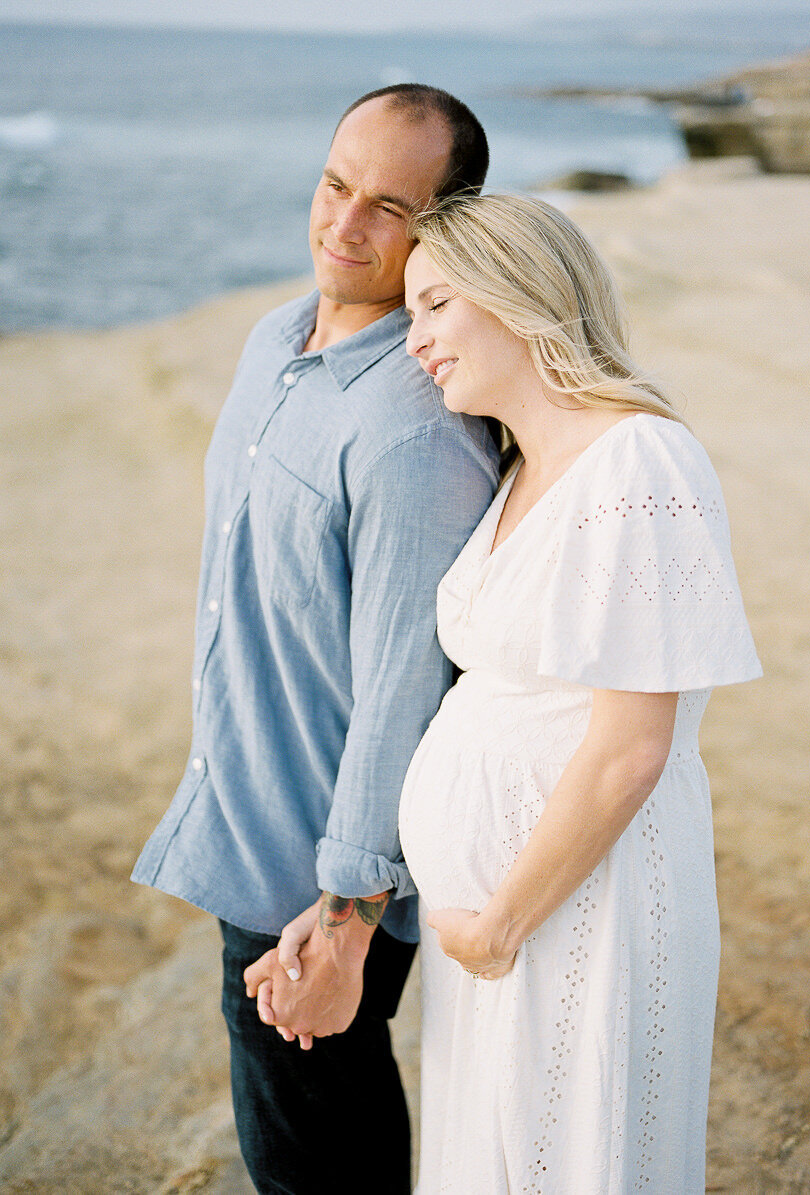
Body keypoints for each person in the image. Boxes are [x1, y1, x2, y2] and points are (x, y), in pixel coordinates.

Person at [131, 86, 498, 1195]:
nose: (344, 225)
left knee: (314, 1162)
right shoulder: (271, 337)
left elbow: (403, 687)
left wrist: (345, 919)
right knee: (292, 1138)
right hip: (248, 821)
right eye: (336, 184)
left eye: (389, 205)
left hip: (317, 876)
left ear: (444, 227)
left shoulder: (414, 431)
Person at [398, 192, 762, 1193]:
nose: (415, 338)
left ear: (513, 293)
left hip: (578, 910)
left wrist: (500, 920)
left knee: (584, 1157)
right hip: (502, 921)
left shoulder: (640, 462)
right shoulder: (521, 470)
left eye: (434, 305)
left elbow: (631, 746)